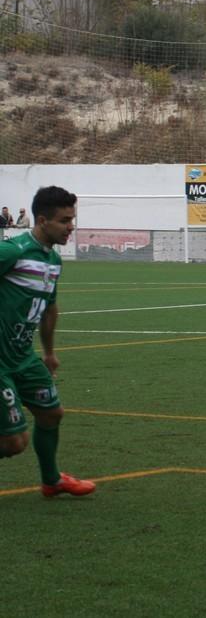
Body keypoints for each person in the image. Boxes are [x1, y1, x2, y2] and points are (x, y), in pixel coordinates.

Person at [0, 186, 96, 497]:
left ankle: (51, 481)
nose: (72, 226)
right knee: (13, 443)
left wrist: (50, 352)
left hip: (23, 357)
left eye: (73, 219)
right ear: (42, 221)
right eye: (65, 220)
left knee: (51, 414)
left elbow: (49, 308)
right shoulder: (12, 251)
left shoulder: (53, 261)